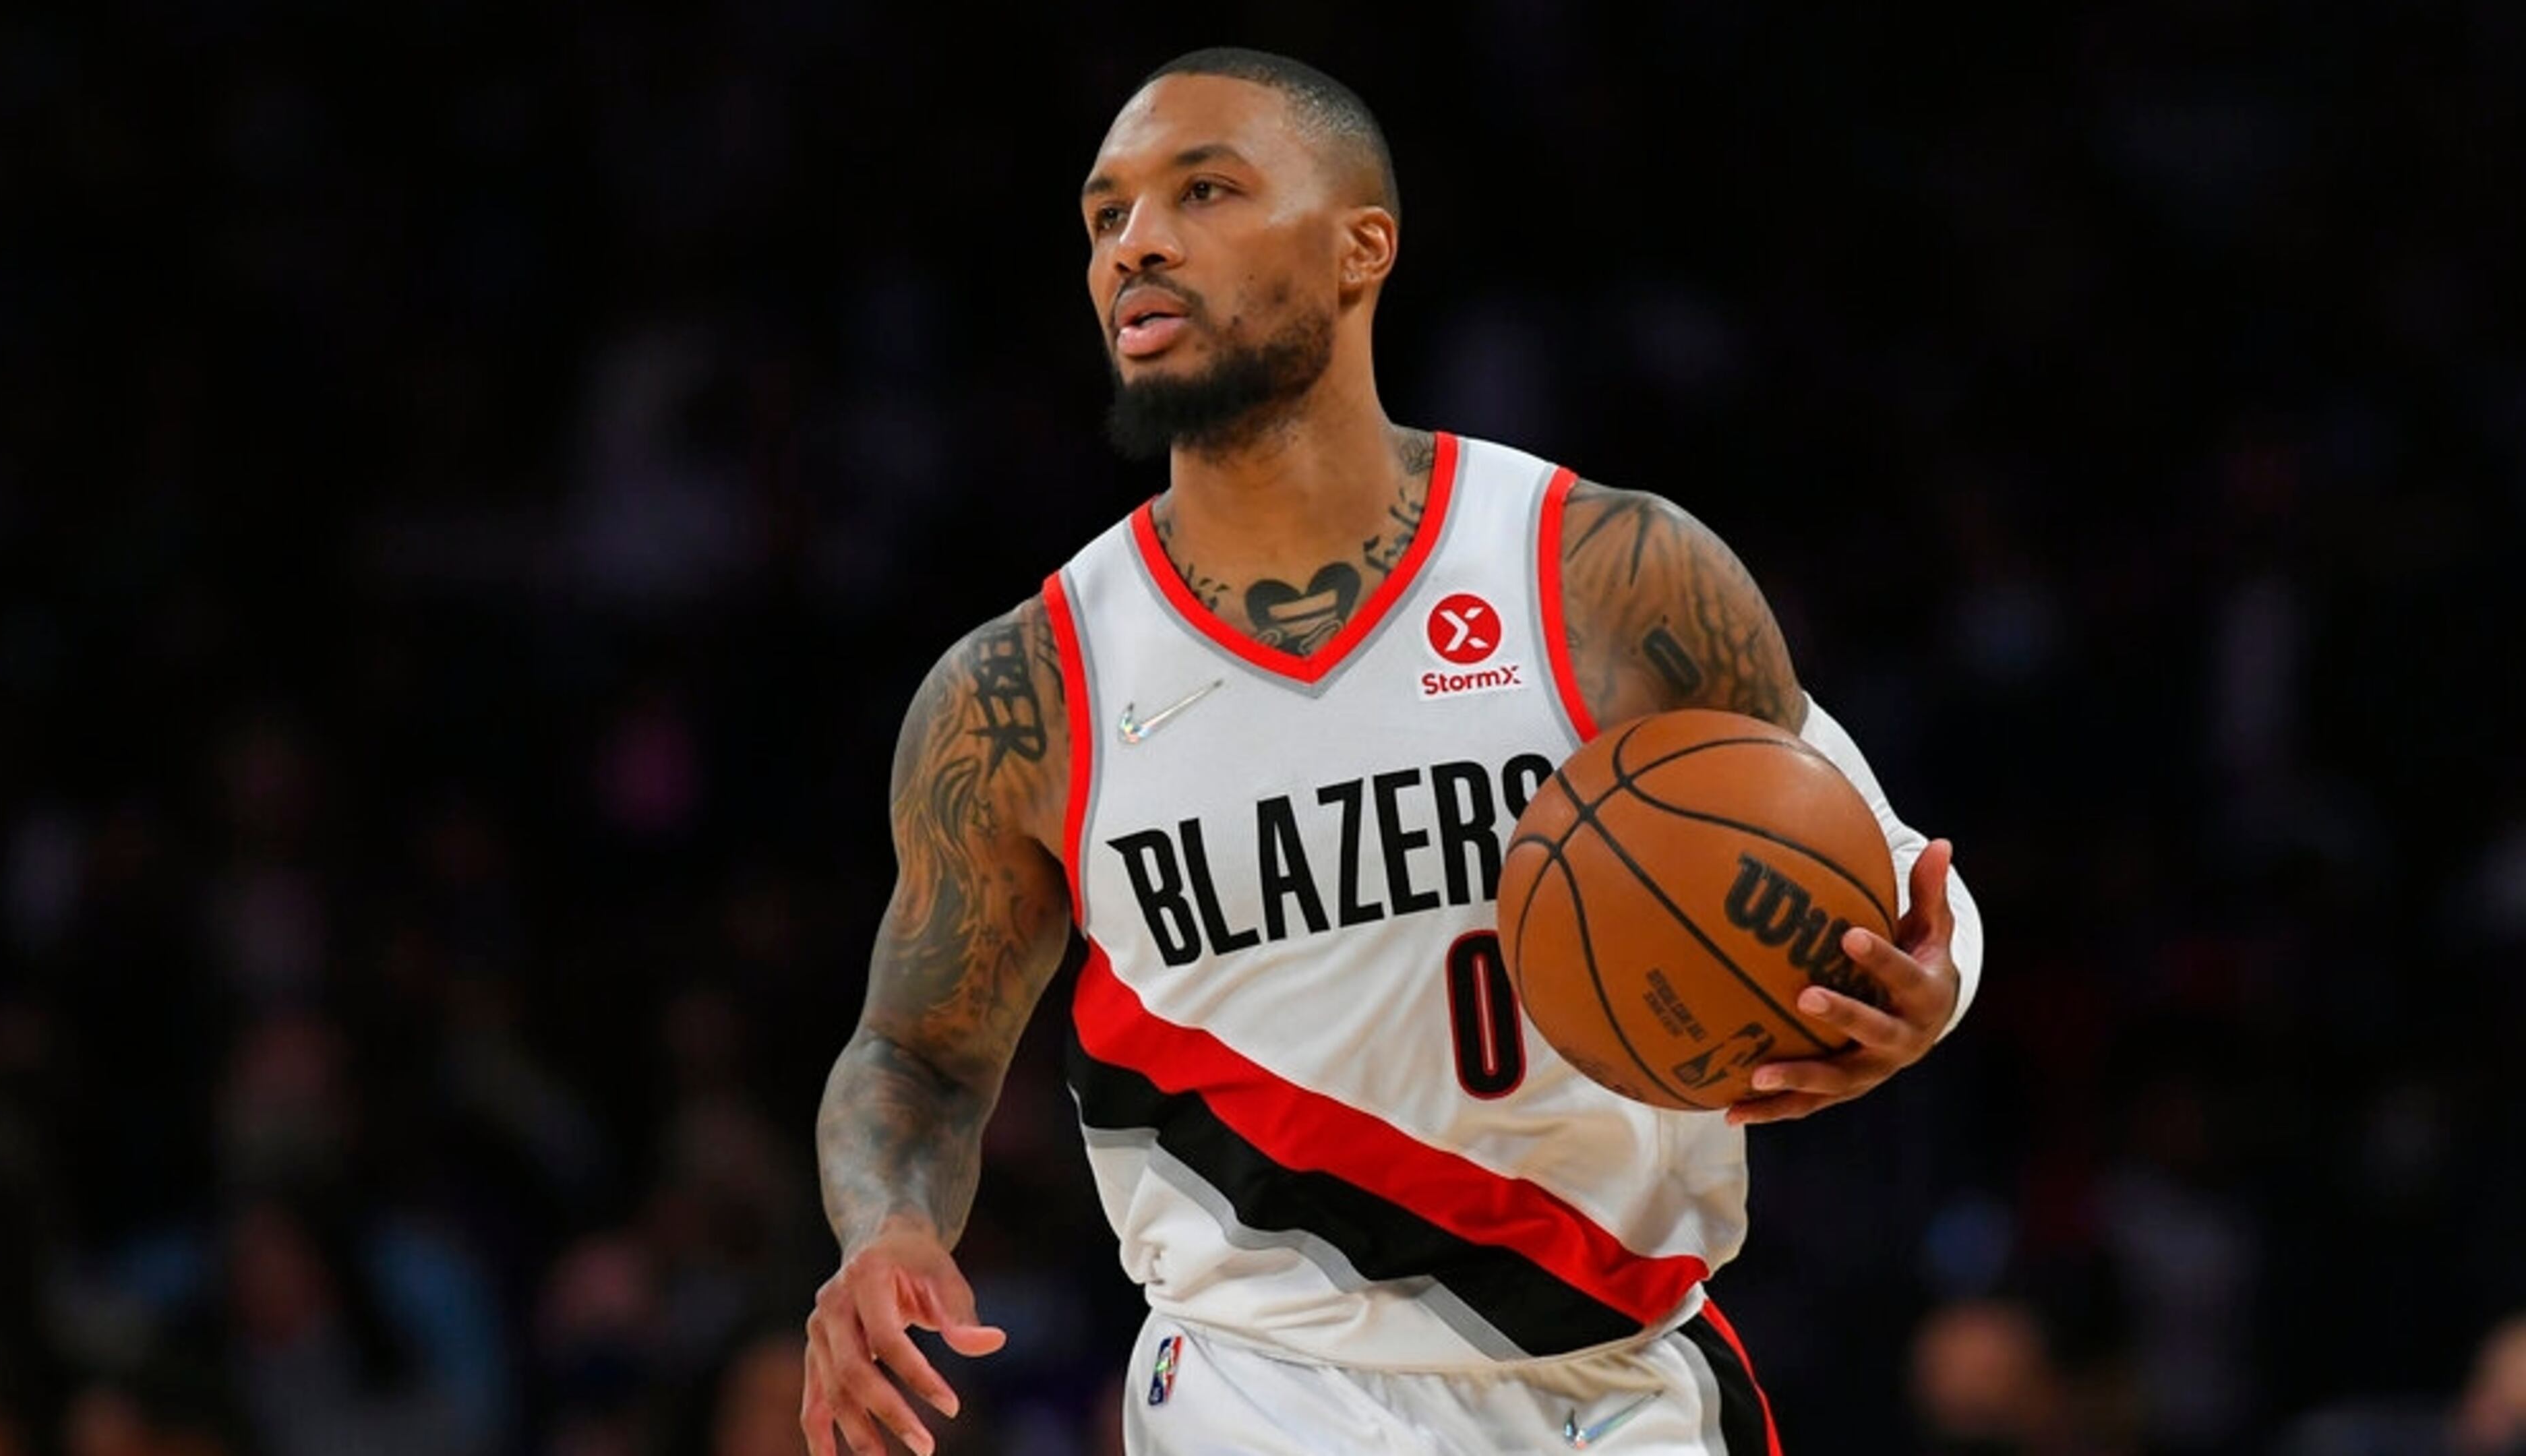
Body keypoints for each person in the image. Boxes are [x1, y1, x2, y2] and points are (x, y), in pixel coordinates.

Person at [802, 46, 1984, 1456]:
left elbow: (1893, 873)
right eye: (1105, 215)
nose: (1140, 243)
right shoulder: (1026, 693)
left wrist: (1924, 991)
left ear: (1365, 245)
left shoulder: (1604, 575)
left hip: (1617, 1377)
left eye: (1207, 190)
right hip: (1258, 1385)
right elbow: (916, 1053)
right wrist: (882, 1233)